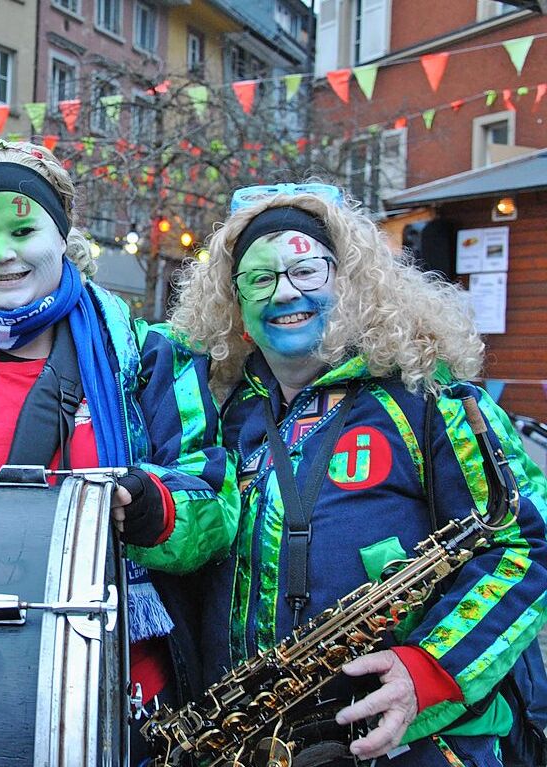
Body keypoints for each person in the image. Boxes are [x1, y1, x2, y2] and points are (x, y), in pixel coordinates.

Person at [0, 140, 240, 762]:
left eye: (23, 229)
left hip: (112, 682)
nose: (2, 254)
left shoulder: (148, 357)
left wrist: (148, 507)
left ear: (62, 235)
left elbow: (216, 505)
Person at [169, 184, 547, 766]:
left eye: (306, 269)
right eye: (259, 279)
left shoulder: (430, 398)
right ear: (234, 304)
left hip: (412, 744)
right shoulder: (220, 412)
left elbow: (525, 541)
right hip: (248, 743)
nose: (284, 292)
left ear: (349, 284)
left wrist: (431, 668)